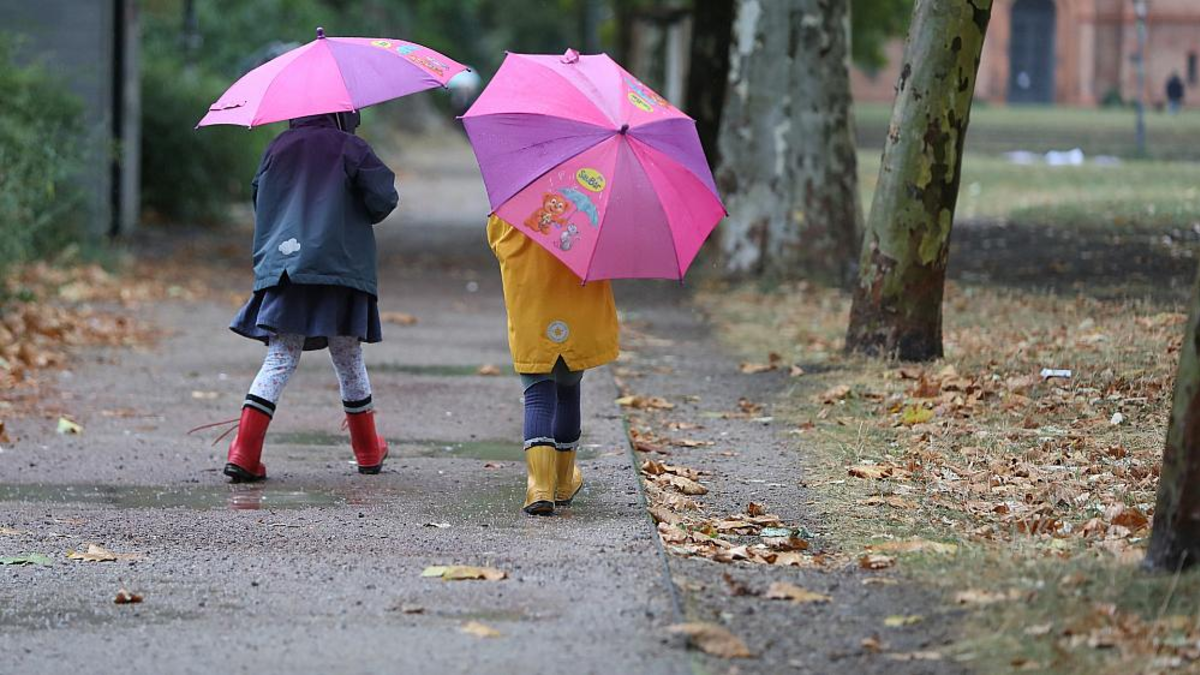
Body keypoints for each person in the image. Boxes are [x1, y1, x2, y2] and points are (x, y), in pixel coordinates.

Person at [222, 111, 398, 483]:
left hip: (287, 267)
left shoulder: (276, 148)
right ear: (341, 112)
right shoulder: (351, 148)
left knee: (281, 357)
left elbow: (261, 200)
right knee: (348, 356)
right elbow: (383, 200)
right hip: (341, 268)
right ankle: (367, 449)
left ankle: (244, 451)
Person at [486, 215, 619, 515]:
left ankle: (539, 487)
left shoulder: (512, 208)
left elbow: (497, 241)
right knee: (569, 389)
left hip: (532, 310)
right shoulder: (593, 210)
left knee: (537, 394)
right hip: (578, 307)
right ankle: (562, 482)